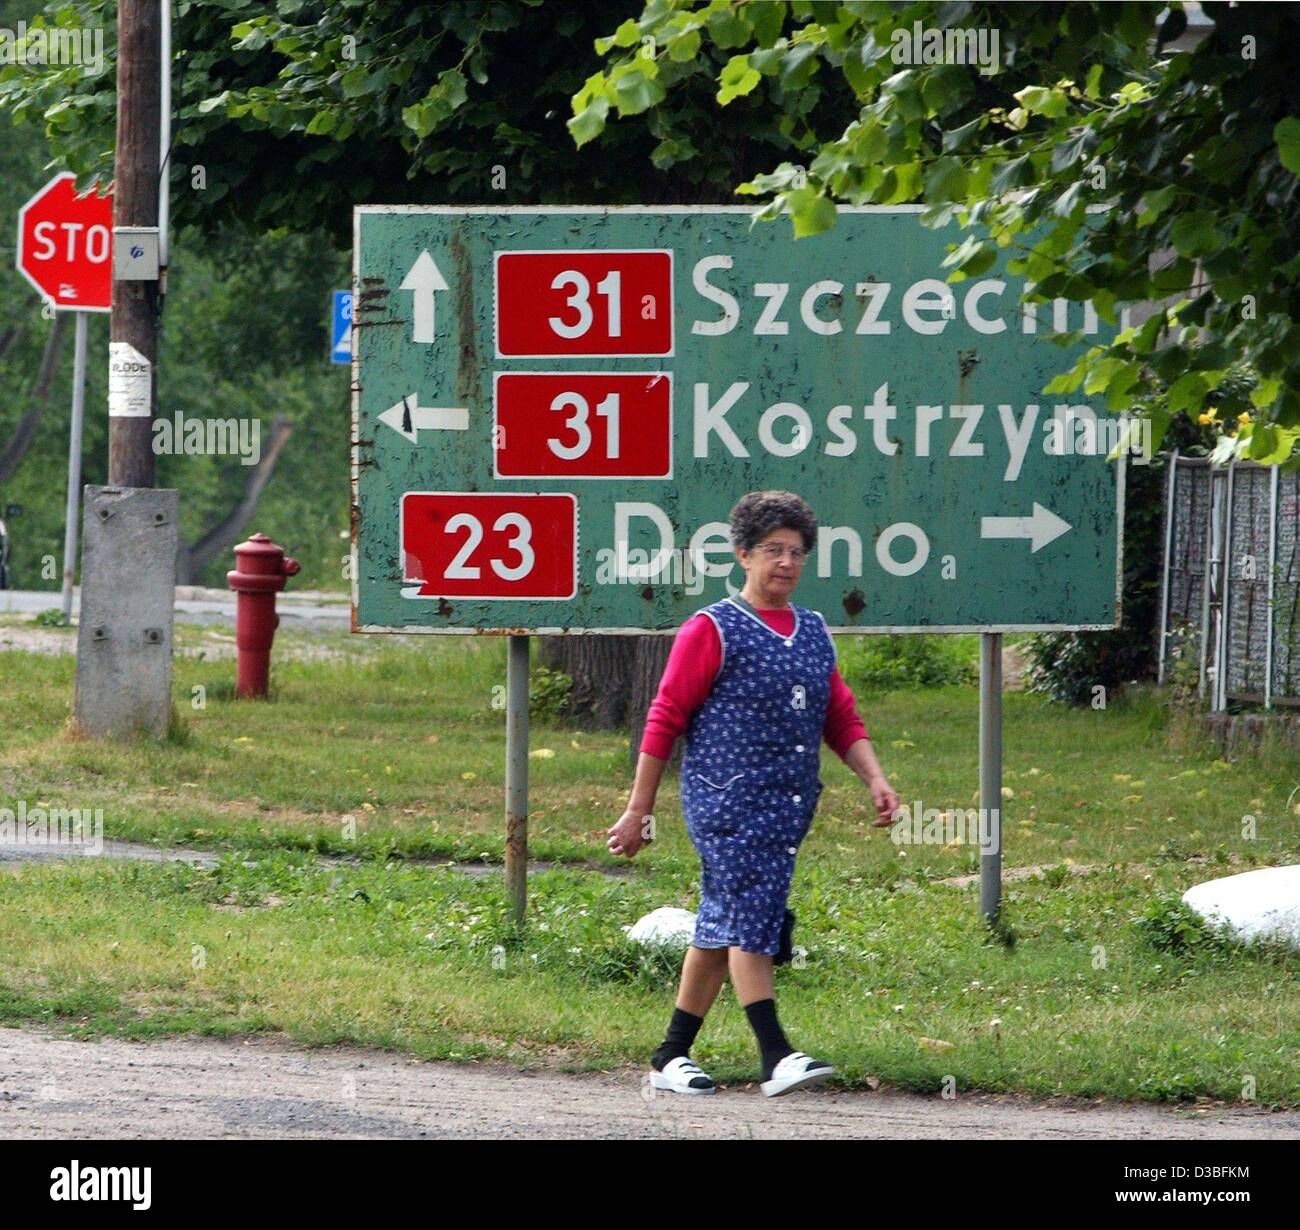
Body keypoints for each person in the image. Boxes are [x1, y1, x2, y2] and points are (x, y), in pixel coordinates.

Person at [607, 490, 900, 1097]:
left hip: (787, 806)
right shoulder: (711, 628)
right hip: (726, 804)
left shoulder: (814, 631)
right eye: (772, 550)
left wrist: (873, 777)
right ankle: (775, 1055)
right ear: (742, 554)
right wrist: (639, 808)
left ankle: (669, 1057)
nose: (786, 562)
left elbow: (839, 716)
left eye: (796, 552)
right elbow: (665, 717)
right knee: (753, 917)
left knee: (721, 924)